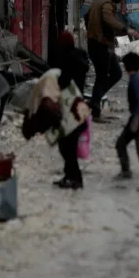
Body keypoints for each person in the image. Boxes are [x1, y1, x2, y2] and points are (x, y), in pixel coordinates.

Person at [87, 0, 139, 123]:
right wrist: (126, 29)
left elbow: (88, 19)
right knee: (102, 76)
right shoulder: (106, 4)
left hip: (100, 44)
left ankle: (94, 101)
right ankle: (95, 110)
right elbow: (109, 19)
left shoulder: (97, 1)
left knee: (116, 73)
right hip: (100, 45)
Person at [51, 31, 90, 189]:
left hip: (69, 106)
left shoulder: (65, 60)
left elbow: (62, 81)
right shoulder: (80, 58)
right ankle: (69, 176)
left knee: (67, 145)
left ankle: (75, 178)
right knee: (68, 144)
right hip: (79, 105)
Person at [115, 53, 139, 189]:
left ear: (126, 66)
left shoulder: (135, 81)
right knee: (121, 143)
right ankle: (126, 171)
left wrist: (135, 121)